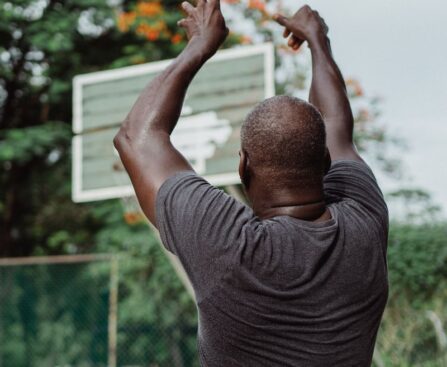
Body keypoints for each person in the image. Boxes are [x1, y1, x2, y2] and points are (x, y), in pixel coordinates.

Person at [113, 1, 389, 366]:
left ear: (243, 167)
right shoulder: (364, 221)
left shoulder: (227, 244)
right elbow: (337, 127)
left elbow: (136, 138)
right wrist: (319, 43)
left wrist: (200, 45)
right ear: (325, 161)